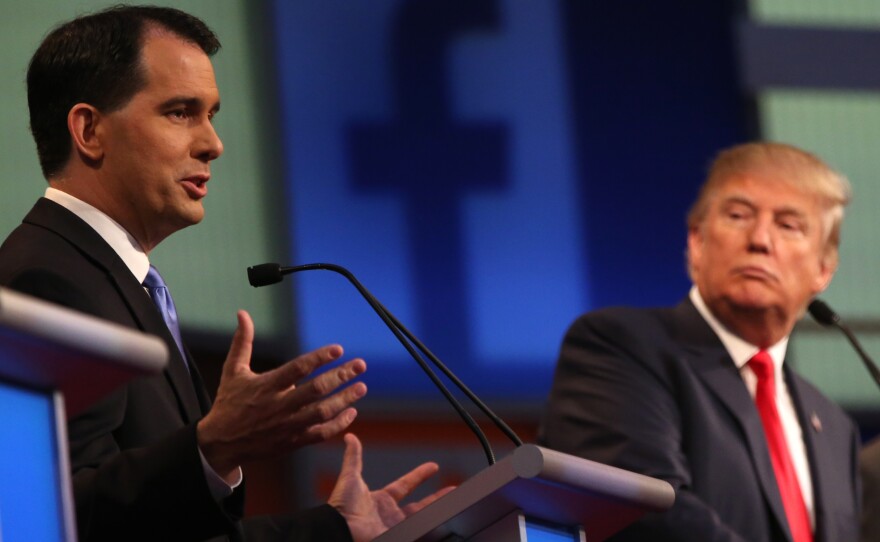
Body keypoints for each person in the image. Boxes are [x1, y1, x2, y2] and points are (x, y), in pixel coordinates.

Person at [0, 6, 449, 542]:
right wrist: (211, 446)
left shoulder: (116, 280)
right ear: (90, 129)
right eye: (180, 112)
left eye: (211, 114)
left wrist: (338, 529)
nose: (213, 144)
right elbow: (52, 520)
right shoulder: (45, 282)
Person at [539, 142, 860, 541]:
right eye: (738, 215)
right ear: (697, 241)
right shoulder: (620, 345)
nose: (760, 239)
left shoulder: (833, 427)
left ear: (823, 270)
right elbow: (645, 512)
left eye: (788, 225)